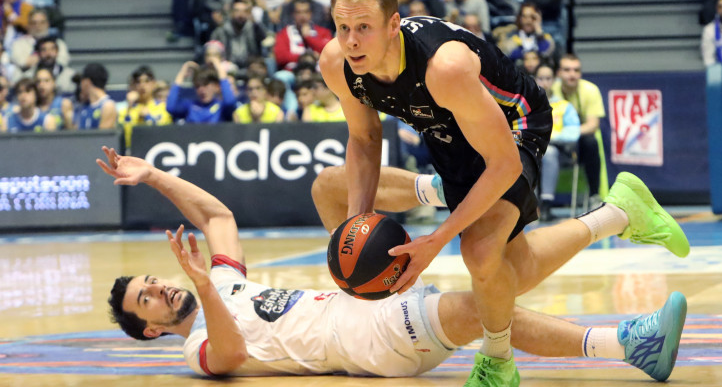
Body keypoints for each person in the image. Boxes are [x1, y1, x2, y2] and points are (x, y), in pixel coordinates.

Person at [319, 0, 689, 385]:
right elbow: (365, 139)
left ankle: (497, 362)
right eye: (343, 27)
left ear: (393, 25)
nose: (351, 40)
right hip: (450, 133)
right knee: (512, 269)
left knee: (479, 253)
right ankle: (619, 213)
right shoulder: (337, 63)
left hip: (516, 124)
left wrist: (436, 241)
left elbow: (505, 164)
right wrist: (356, 228)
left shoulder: (445, 67)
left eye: (363, 28)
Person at [101, 146, 688, 382]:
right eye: (146, 299)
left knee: (330, 188)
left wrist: (153, 175)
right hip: (369, 342)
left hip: (363, 293)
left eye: (153, 282)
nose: (158, 289)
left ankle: (450, 190)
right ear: (149, 327)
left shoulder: (223, 282)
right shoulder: (194, 342)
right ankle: (627, 344)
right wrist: (204, 288)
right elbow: (228, 357)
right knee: (473, 305)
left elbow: (219, 218)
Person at [552, 54, 607, 208]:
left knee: (591, 141)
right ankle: (541, 203)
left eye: (576, 70)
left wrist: (567, 134)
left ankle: (594, 195)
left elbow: (592, 125)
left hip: (578, 143)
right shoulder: (550, 90)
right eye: (567, 70)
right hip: (553, 142)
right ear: (558, 73)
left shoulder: (590, 90)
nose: (572, 74)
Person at [532, 64, 579, 221]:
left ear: (554, 81)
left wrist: (551, 137)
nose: (544, 82)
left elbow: (574, 132)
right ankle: (529, 204)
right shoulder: (527, 105)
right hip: (533, 149)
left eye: (548, 78)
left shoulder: (564, 106)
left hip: (559, 152)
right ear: (534, 79)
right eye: (541, 78)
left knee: (549, 153)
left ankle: (546, 204)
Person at [118, 65, 173, 147]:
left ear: (154, 84)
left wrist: (148, 117)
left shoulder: (163, 108)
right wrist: (130, 107)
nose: (142, 85)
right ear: (133, 85)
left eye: (147, 81)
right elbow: (125, 138)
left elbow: (163, 133)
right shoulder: (126, 111)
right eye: (138, 82)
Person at [166, 60, 237, 124]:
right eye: (197, 86)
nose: (201, 89)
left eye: (206, 85)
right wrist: (182, 73)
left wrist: (219, 68)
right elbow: (170, 107)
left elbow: (230, 102)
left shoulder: (221, 107)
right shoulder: (190, 106)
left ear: (216, 86)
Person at [11, 10, 71, 80]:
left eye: (42, 22)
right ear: (28, 25)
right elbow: (22, 62)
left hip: (56, 78)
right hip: (29, 79)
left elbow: (62, 61)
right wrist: (46, 56)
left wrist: (37, 59)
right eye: (34, 23)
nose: (38, 26)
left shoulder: (59, 43)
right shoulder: (18, 44)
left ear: (48, 24)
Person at [274, 0, 332, 70]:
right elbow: (280, 57)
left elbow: (329, 53)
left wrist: (308, 37)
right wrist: (308, 57)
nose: (302, 16)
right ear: (293, 15)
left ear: (310, 14)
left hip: (318, 72)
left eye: (305, 12)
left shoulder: (323, 32)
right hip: (293, 71)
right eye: (299, 12)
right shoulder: (284, 33)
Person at [209, 1, 267, 70]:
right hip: (227, 65)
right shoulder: (220, 31)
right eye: (237, 11)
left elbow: (267, 39)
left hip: (250, 65)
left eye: (244, 11)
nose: (241, 15)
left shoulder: (254, 29)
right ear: (231, 13)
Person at [74, 63, 117, 130]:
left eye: (81, 82)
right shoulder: (83, 107)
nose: (80, 87)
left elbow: (102, 138)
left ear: (86, 82)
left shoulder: (107, 106)